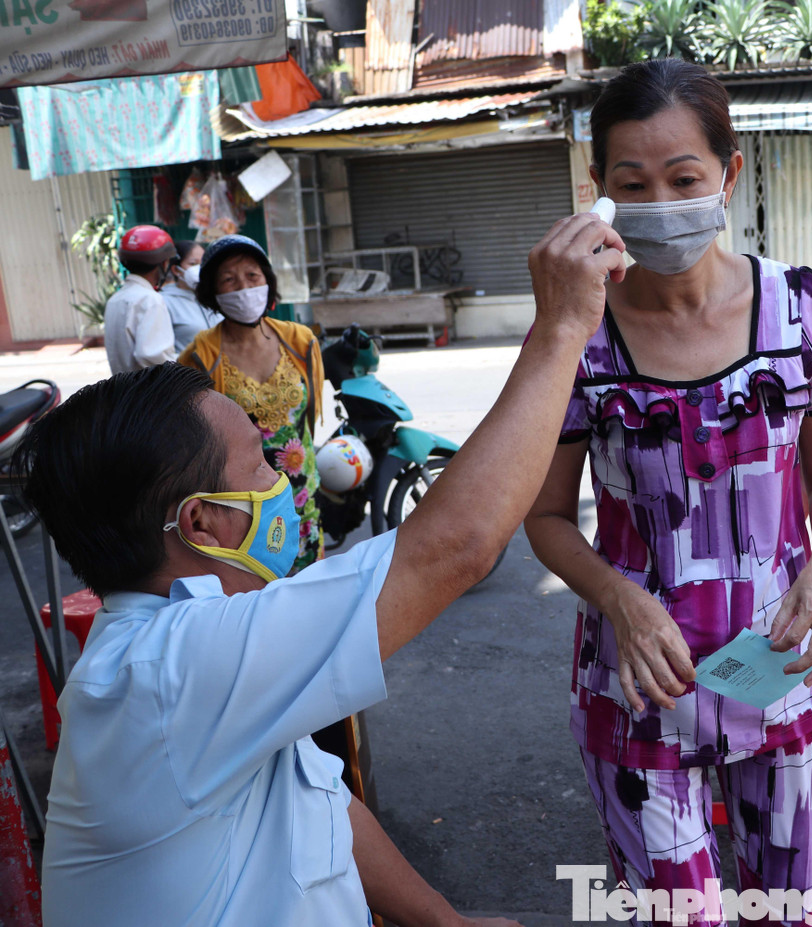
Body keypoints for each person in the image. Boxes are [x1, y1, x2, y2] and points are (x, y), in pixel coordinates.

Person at [18, 201, 626, 925]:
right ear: (204, 520)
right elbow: (456, 544)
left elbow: (319, 799)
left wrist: (445, 922)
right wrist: (561, 329)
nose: (284, 474)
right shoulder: (173, 669)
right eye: (261, 462)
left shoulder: (205, 646)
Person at [523, 59, 812, 923]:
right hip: (638, 689)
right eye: (632, 182)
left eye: (684, 178)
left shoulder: (797, 308)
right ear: (597, 188)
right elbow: (548, 513)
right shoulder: (576, 332)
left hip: (780, 670)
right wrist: (618, 600)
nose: (661, 200)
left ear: (730, 175)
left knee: (784, 909)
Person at [178, 235, 325, 571]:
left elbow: (310, 416)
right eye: (229, 279)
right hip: (240, 504)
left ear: (268, 282)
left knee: (310, 588)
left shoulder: (301, 341)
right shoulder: (201, 355)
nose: (243, 287)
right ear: (213, 292)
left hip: (302, 494)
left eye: (252, 276)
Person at [105, 225, 178, 374]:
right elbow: (154, 357)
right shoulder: (150, 299)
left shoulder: (115, 299)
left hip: (123, 391)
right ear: (164, 263)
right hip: (150, 393)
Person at [162, 239, 219, 351]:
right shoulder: (164, 302)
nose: (200, 268)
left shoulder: (214, 298)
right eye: (193, 264)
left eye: (203, 263)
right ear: (176, 270)